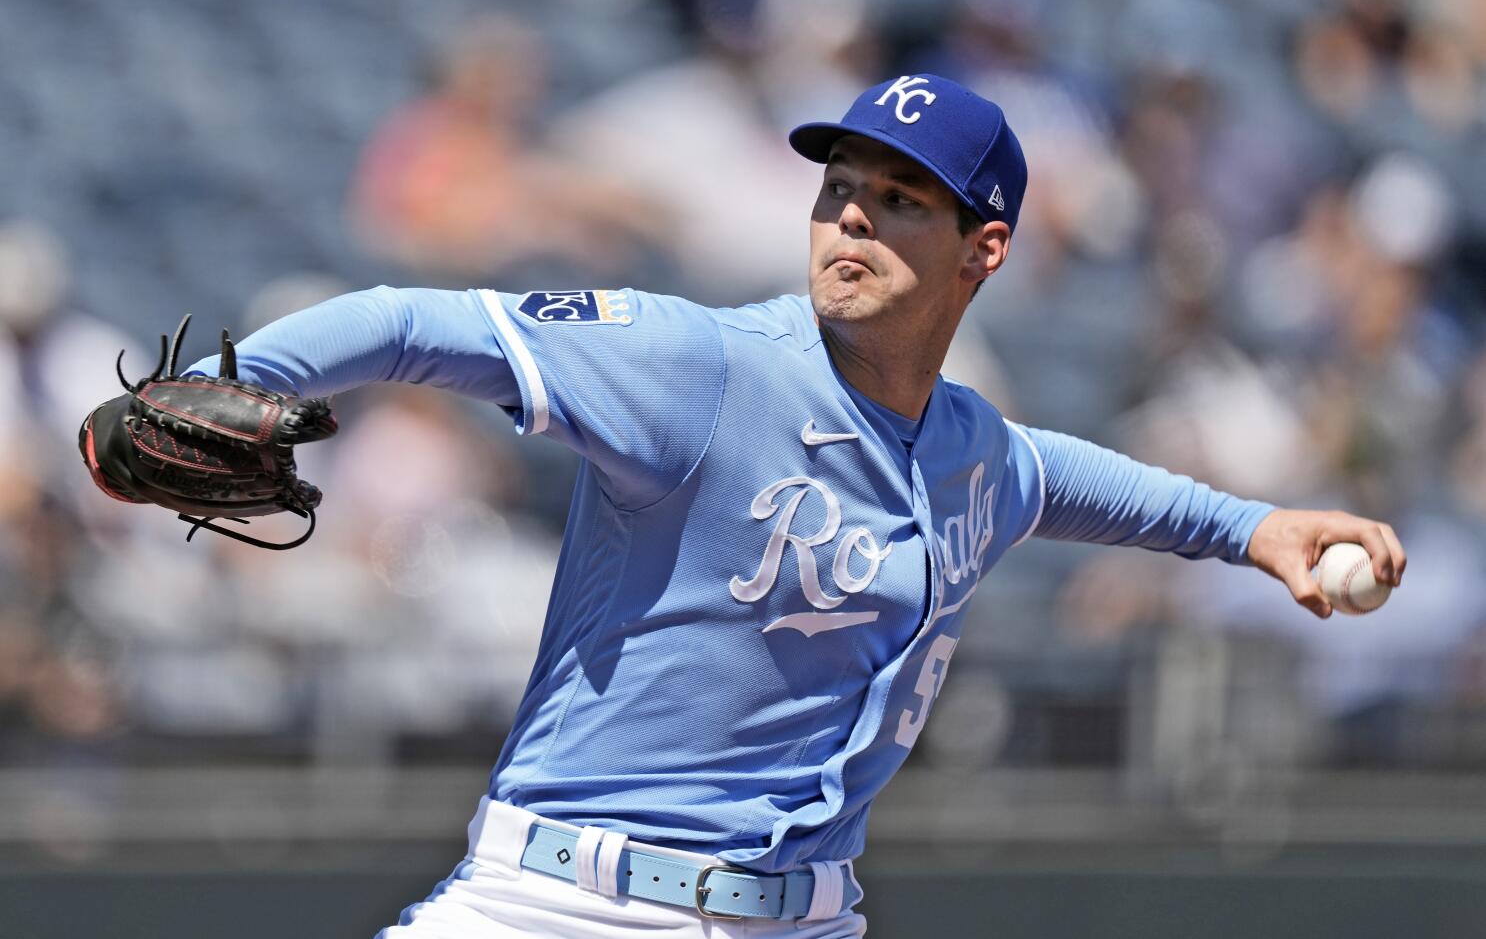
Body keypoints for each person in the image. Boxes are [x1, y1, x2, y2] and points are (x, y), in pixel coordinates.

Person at [121, 75, 1409, 937]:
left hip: (804, 917)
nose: (850, 215)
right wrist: (240, 382)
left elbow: (1069, 477)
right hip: (570, 909)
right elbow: (414, 320)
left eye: (899, 199)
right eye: (836, 187)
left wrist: (1252, 529)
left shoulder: (970, 450)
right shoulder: (702, 365)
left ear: (985, 248)